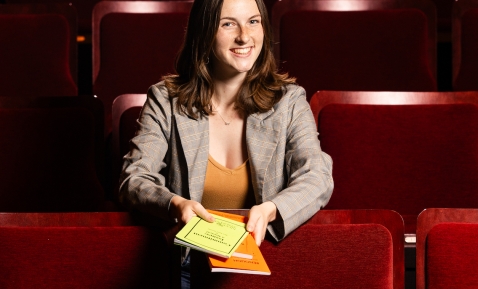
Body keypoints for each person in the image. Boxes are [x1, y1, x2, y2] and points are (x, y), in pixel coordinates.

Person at [118, 0, 333, 245]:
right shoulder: (165, 101)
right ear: (205, 31)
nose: (244, 37)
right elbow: (134, 178)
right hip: (188, 266)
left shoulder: (289, 101)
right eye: (229, 24)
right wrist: (175, 205)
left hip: (267, 258)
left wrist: (271, 209)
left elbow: (317, 177)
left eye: (253, 22)